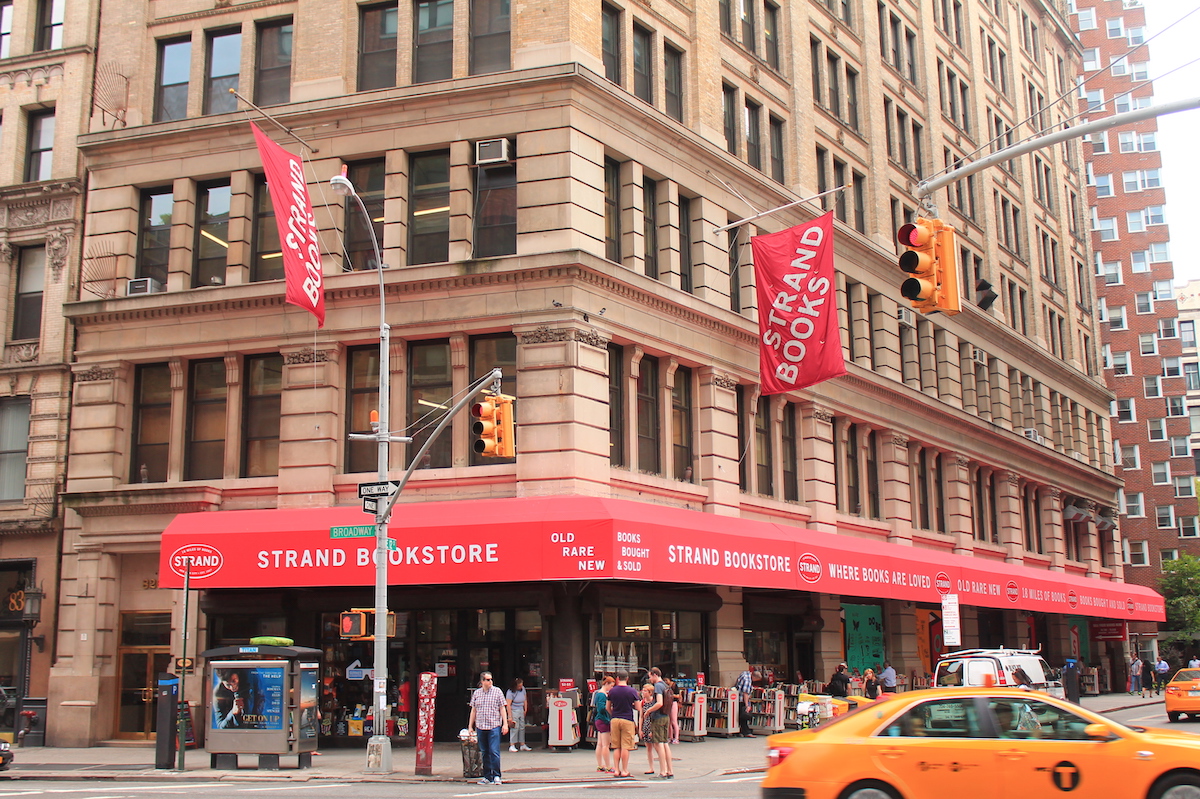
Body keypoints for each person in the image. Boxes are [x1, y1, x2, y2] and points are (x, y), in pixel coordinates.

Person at [468, 671, 510, 785]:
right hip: (481, 726)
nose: (490, 681)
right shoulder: (477, 693)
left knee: (494, 751)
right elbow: (473, 710)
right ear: (482, 681)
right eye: (487, 679)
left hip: (494, 726)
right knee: (485, 752)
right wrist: (470, 726)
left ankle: (496, 775)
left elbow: (502, 708)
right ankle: (487, 776)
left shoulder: (497, 692)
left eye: (491, 679)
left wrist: (505, 724)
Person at [605, 672, 641, 779]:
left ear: (617, 678)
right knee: (626, 746)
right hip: (627, 719)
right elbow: (638, 707)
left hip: (615, 719)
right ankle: (624, 770)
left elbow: (607, 707)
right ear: (627, 678)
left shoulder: (612, 691)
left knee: (616, 746)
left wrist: (613, 714)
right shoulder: (632, 691)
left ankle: (616, 770)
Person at [648, 668, 674, 779]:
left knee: (659, 744)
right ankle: (670, 770)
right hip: (665, 716)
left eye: (650, 676)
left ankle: (663, 771)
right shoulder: (665, 685)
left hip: (658, 717)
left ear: (654, 675)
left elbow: (659, 703)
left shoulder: (658, 686)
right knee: (665, 743)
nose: (649, 679)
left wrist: (648, 711)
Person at [592, 676, 614, 774]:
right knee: (605, 745)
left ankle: (600, 765)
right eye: (611, 685)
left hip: (599, 720)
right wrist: (608, 718)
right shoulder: (602, 695)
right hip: (603, 720)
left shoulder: (598, 693)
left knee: (600, 744)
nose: (612, 688)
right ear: (606, 684)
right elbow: (601, 708)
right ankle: (608, 766)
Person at [506, 678, 531, 753]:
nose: (520, 687)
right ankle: (512, 744)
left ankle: (522, 744)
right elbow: (508, 704)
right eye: (519, 686)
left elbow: (525, 699)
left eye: (521, 685)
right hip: (514, 710)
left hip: (521, 709)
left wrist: (525, 709)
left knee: (522, 727)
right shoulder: (510, 692)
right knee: (515, 727)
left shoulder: (523, 689)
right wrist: (510, 716)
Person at [639, 682, 657, 775]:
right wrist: (640, 729)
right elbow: (641, 716)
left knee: (657, 747)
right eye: (643, 690)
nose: (643, 692)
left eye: (645, 691)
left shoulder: (654, 702)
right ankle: (651, 767)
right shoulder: (642, 702)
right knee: (648, 748)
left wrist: (653, 730)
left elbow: (655, 716)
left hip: (652, 725)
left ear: (650, 692)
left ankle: (663, 766)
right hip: (645, 725)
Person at [735, 667, 756, 738]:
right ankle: (746, 732)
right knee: (744, 716)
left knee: (740, 716)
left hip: (737, 698)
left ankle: (741, 731)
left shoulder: (745, 673)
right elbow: (745, 693)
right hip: (741, 699)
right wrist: (747, 705)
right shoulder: (748, 680)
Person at [666, 677, 681, 745]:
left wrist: (671, 695)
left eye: (666, 680)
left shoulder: (674, 686)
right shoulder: (665, 686)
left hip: (673, 703)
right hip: (668, 703)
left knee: (674, 721)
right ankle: (670, 737)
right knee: (669, 721)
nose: (666, 681)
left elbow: (678, 696)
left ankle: (676, 738)